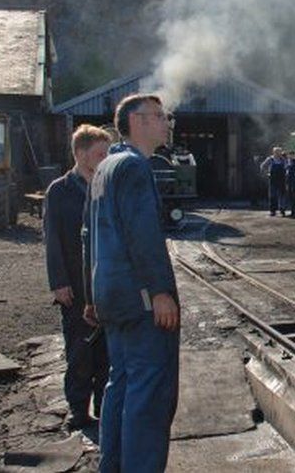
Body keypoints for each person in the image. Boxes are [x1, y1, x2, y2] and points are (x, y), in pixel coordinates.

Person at [83, 93, 180, 472]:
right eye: (159, 116)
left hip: (111, 298)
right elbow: (143, 234)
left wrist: (92, 296)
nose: (165, 123)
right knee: (149, 396)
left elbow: (89, 234)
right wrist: (158, 291)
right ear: (137, 121)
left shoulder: (105, 167)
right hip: (140, 300)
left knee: (119, 385)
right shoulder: (137, 168)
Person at [43, 124, 112, 430]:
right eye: (101, 153)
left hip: (106, 283)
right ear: (82, 154)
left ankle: (105, 407)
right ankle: (78, 410)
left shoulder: (107, 187)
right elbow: (52, 239)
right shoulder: (60, 190)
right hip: (74, 283)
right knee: (80, 351)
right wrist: (58, 283)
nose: (106, 158)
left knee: (107, 353)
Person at [259, 146, 287, 216]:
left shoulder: (283, 160)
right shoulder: (270, 159)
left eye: (279, 152)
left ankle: (282, 210)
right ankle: (273, 210)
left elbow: (287, 167)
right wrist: (267, 173)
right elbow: (262, 166)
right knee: (272, 195)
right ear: (273, 152)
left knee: (282, 195)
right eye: (276, 152)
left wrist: (287, 173)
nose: (278, 153)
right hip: (273, 180)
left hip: (282, 179)